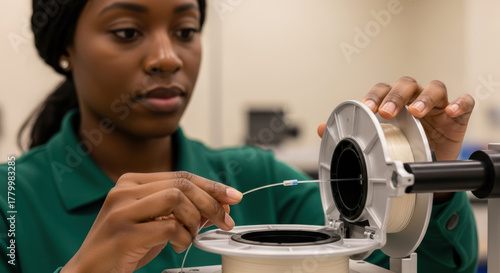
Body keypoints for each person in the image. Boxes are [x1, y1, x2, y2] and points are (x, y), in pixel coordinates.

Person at [0, 0, 477, 272]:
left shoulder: (256, 178)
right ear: (64, 47)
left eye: (186, 30)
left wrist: (423, 177)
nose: (168, 57)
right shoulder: (11, 202)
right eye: (127, 32)